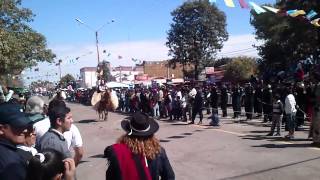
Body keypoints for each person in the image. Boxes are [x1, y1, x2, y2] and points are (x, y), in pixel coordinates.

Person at [104, 112, 175, 180]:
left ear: (128, 132)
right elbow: (169, 176)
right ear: (150, 133)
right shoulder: (158, 151)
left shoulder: (117, 152)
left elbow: (110, 177)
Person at [0, 102, 33, 180]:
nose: (25, 130)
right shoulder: (11, 164)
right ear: (1, 129)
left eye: (25, 125)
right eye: (18, 125)